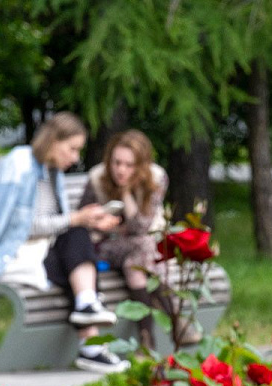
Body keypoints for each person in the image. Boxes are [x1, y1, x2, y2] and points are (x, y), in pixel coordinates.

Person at [0, 112, 127, 373]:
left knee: (77, 244)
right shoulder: (20, 164)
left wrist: (89, 222)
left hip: (38, 250)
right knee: (75, 242)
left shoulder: (50, 170)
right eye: (72, 149)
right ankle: (91, 336)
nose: (75, 157)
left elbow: (52, 224)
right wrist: (75, 219)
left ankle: (88, 310)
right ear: (53, 141)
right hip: (9, 254)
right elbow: (17, 229)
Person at [79, 129, 194, 350]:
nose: (121, 170)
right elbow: (83, 220)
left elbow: (141, 226)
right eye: (116, 163)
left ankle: (146, 339)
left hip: (139, 250)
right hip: (105, 246)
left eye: (129, 165)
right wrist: (101, 221)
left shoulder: (156, 179)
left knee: (136, 262)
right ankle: (177, 319)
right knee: (142, 247)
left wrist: (126, 194)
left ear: (140, 166)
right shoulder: (97, 178)